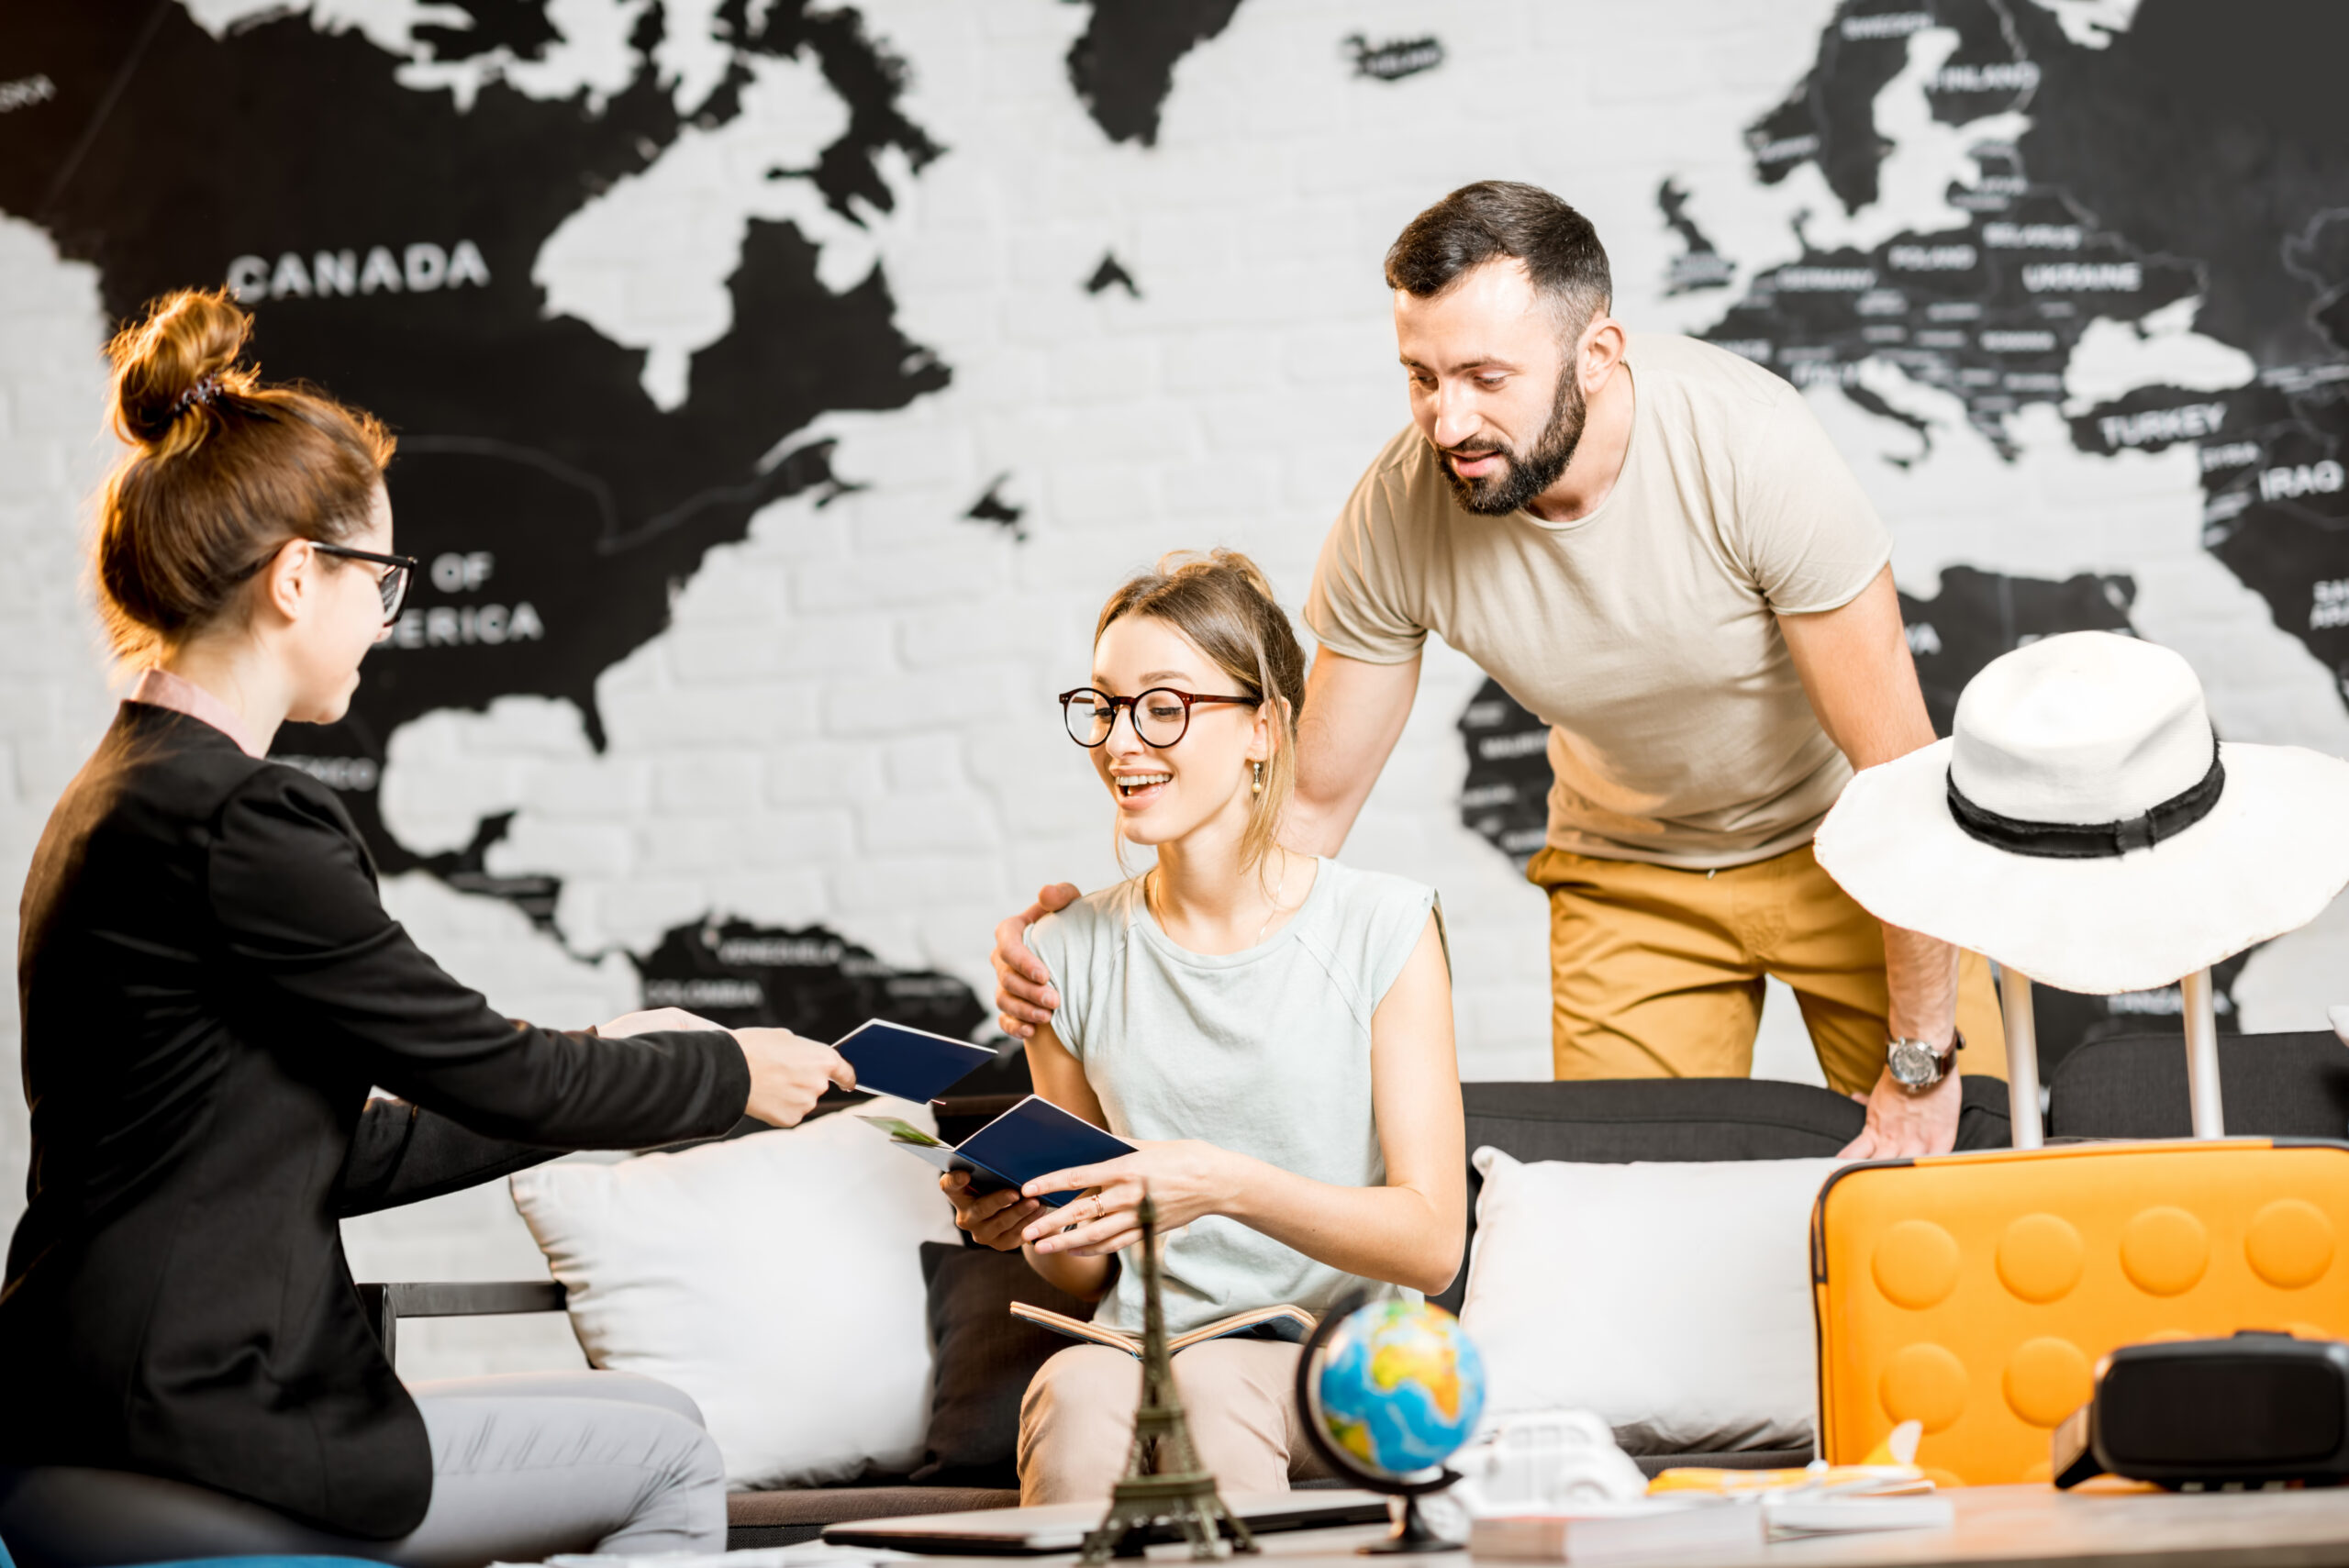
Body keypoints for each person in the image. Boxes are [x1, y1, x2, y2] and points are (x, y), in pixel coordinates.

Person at [0, 289, 857, 1568]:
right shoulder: (247, 821)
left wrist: (611, 1046)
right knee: (671, 1452)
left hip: (71, 1394)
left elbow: (319, 1149)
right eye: (380, 577)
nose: (389, 616)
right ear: (299, 577)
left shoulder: (109, 802)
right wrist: (728, 1070)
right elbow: (495, 1066)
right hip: (198, 1410)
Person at [996, 181, 2004, 1159]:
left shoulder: (1751, 446)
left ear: (1596, 354)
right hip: (1632, 874)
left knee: (1971, 1170)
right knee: (1626, 1229)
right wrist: (1104, 953)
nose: (1447, 422)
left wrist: (1919, 1065)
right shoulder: (1397, 513)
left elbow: (1898, 780)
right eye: (1421, 377)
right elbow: (1302, 814)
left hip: (1851, 851)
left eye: (1486, 378)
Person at [944, 550, 1463, 1504]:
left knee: (1215, 1386)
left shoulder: (1384, 924)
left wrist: (1220, 1181)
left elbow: (1431, 1242)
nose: (1120, 742)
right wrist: (1033, 1221)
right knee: (1076, 1393)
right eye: (1103, 705)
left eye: (1164, 706)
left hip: (1348, 1360)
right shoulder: (1061, 952)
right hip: (1143, 1343)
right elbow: (1083, 1262)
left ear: (1264, 726)